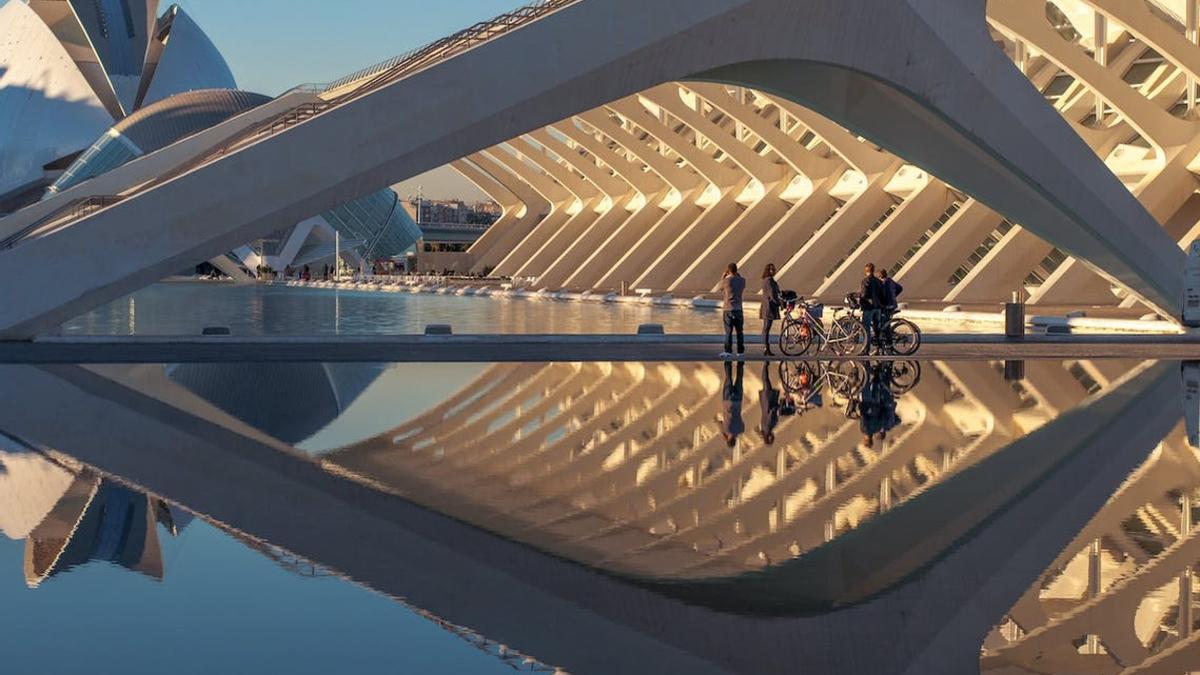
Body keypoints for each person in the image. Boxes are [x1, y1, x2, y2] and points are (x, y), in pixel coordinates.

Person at [719, 262, 746, 359]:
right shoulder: (742, 280)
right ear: (736, 270)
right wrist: (737, 275)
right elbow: (740, 281)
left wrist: (723, 276)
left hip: (728, 308)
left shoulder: (726, 281)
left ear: (728, 270)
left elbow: (720, 287)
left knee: (728, 331)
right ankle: (740, 351)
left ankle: (728, 351)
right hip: (739, 309)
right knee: (739, 331)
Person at [859, 263, 886, 355]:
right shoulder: (878, 281)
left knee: (866, 328)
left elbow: (864, 294)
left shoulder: (865, 281)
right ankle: (879, 348)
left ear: (866, 271)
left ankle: (866, 349)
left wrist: (861, 300)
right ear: (873, 270)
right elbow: (882, 294)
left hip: (869, 308)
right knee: (876, 328)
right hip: (877, 308)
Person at [759, 263, 782, 356]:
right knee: (766, 328)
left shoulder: (766, 280)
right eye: (771, 269)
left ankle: (766, 348)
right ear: (767, 270)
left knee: (766, 328)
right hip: (769, 307)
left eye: (773, 269)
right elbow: (772, 295)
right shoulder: (769, 281)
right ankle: (766, 348)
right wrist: (779, 303)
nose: (773, 271)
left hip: (766, 306)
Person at [877, 268, 904, 348]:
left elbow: (881, 296)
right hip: (893, 305)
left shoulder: (883, 283)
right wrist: (894, 296)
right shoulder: (890, 281)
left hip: (887, 306)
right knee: (885, 321)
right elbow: (900, 288)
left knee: (885, 323)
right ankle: (886, 338)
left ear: (879, 276)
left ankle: (889, 342)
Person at [721, 361, 745, 447]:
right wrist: (724, 435)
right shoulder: (726, 430)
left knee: (739, 378)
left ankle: (740, 362)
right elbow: (720, 423)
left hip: (738, 401)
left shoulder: (741, 430)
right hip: (728, 401)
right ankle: (728, 360)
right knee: (728, 378)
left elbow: (742, 423)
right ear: (728, 439)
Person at [758, 362, 780, 445]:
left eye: (770, 439)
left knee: (766, 381)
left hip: (768, 401)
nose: (772, 437)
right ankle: (765, 365)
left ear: (767, 438)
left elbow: (771, 413)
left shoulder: (767, 428)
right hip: (766, 402)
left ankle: (765, 365)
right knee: (766, 382)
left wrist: (777, 407)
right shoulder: (764, 429)